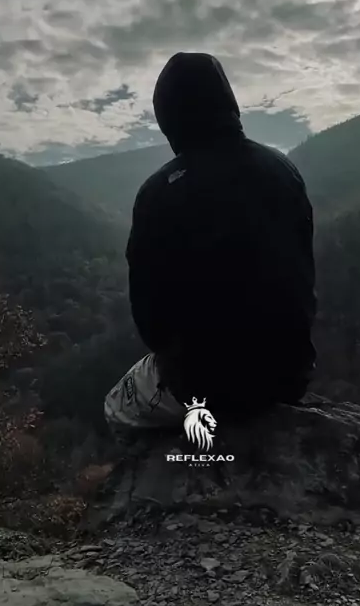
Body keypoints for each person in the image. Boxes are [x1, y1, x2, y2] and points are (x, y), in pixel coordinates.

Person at [104, 52, 317, 433]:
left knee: (115, 407)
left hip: (205, 386)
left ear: (168, 119)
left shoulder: (158, 192)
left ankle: (168, 467)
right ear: (228, 103)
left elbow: (151, 322)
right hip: (290, 373)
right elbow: (302, 275)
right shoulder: (283, 169)